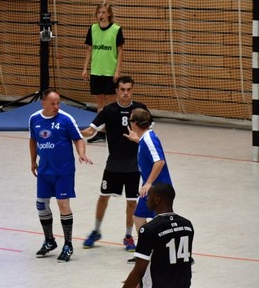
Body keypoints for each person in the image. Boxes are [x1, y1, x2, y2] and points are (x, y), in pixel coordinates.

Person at [80, 76, 148, 251]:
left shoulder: (140, 110)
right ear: (117, 91)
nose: (125, 93)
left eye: (129, 90)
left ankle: (128, 236)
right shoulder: (108, 110)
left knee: (131, 202)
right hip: (113, 165)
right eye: (122, 89)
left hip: (133, 166)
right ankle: (96, 231)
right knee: (103, 197)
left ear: (132, 90)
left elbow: (148, 135)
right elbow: (90, 131)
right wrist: (73, 133)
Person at [29, 89, 92, 262]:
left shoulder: (66, 119)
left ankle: (68, 245)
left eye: (58, 103)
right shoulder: (34, 119)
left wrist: (81, 154)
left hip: (63, 171)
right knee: (41, 205)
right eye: (53, 103)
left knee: (63, 204)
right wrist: (33, 161)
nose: (56, 106)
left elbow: (78, 138)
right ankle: (49, 240)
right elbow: (33, 140)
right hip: (44, 170)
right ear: (43, 103)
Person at [124, 107, 173, 262]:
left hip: (159, 189)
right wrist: (136, 140)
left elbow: (159, 161)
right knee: (138, 217)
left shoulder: (149, 139)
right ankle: (145, 251)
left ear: (135, 123)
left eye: (130, 120)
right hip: (152, 189)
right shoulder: (145, 138)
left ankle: (174, 253)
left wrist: (149, 182)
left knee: (162, 223)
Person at [82, 3, 124, 143]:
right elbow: (89, 49)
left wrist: (117, 70)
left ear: (109, 14)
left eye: (103, 12)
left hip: (110, 72)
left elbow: (120, 51)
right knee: (100, 103)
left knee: (112, 104)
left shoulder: (116, 29)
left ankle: (113, 131)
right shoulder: (93, 29)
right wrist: (85, 68)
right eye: (99, 12)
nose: (101, 15)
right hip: (96, 71)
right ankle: (101, 132)